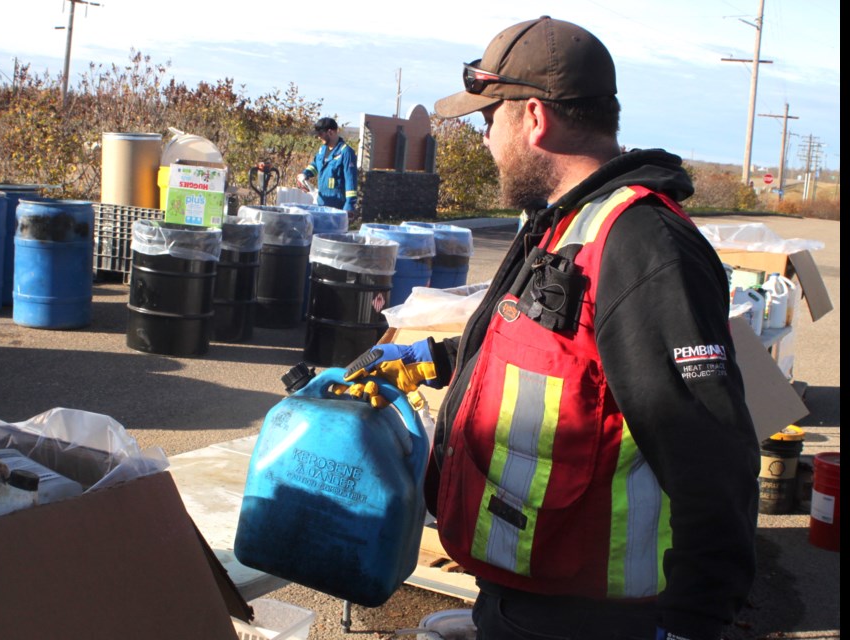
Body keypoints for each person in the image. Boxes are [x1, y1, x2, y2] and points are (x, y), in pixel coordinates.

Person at [341, 16, 759, 640]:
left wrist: (693, 625)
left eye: (489, 121)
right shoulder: (563, 225)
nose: (485, 141)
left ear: (533, 118)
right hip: (525, 598)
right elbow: (554, 352)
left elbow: (711, 461)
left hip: (594, 619)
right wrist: (434, 358)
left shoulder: (642, 247)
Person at [297, 117, 359, 217]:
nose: (318, 137)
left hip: (337, 207)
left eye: (320, 134)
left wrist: (349, 205)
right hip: (321, 203)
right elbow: (315, 165)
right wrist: (305, 174)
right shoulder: (322, 150)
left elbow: (350, 181)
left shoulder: (346, 152)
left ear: (330, 132)